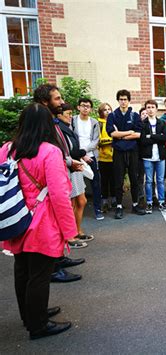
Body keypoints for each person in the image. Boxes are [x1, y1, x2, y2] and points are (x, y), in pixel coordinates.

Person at [0, 103, 77, 339]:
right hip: (41, 220)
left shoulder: (7, 149)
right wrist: (69, 230)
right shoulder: (49, 152)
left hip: (16, 216)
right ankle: (38, 325)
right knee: (40, 275)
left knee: (22, 270)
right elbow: (59, 194)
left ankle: (30, 315)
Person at [32, 85, 83, 283]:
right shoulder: (42, 123)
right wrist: (68, 163)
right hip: (48, 184)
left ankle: (59, 259)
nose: (62, 102)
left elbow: (60, 149)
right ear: (45, 102)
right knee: (52, 224)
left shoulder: (53, 121)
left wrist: (69, 162)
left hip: (62, 171)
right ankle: (53, 268)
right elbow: (48, 153)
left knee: (57, 223)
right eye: (57, 99)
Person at [57, 103, 93, 249]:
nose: (71, 116)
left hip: (76, 167)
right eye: (68, 114)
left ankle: (77, 230)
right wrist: (80, 154)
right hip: (68, 168)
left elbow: (73, 148)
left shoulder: (68, 128)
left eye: (72, 114)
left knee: (82, 200)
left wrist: (80, 154)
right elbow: (64, 152)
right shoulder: (58, 129)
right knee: (71, 203)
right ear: (59, 115)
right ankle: (70, 236)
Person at [106, 89, 145, 219]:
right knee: (118, 179)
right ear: (118, 100)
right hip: (118, 152)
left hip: (132, 151)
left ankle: (135, 204)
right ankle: (119, 206)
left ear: (129, 101)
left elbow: (139, 134)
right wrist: (129, 132)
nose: (123, 102)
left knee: (134, 178)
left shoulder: (134, 115)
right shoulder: (112, 116)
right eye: (121, 99)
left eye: (125, 99)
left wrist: (121, 135)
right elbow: (112, 133)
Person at [72, 98, 103, 220]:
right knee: (75, 184)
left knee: (96, 183)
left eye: (88, 106)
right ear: (78, 107)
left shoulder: (94, 122)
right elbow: (71, 139)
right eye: (83, 105)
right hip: (76, 157)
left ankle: (97, 209)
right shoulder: (73, 120)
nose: (85, 108)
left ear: (91, 109)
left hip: (90, 156)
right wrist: (80, 154)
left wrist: (85, 152)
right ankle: (75, 211)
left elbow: (96, 140)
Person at [139, 100, 166, 213]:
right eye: (148, 107)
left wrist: (151, 136)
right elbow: (142, 140)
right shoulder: (143, 124)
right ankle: (149, 203)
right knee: (149, 181)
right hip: (148, 156)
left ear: (156, 109)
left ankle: (161, 202)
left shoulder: (162, 123)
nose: (150, 109)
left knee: (160, 180)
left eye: (153, 107)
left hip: (160, 156)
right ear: (146, 109)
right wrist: (158, 137)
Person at [97, 103, 116, 212]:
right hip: (102, 157)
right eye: (105, 110)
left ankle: (114, 199)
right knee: (104, 180)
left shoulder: (113, 122)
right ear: (101, 111)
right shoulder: (99, 123)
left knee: (114, 180)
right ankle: (104, 201)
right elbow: (98, 141)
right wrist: (110, 141)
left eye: (109, 109)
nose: (107, 111)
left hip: (114, 157)